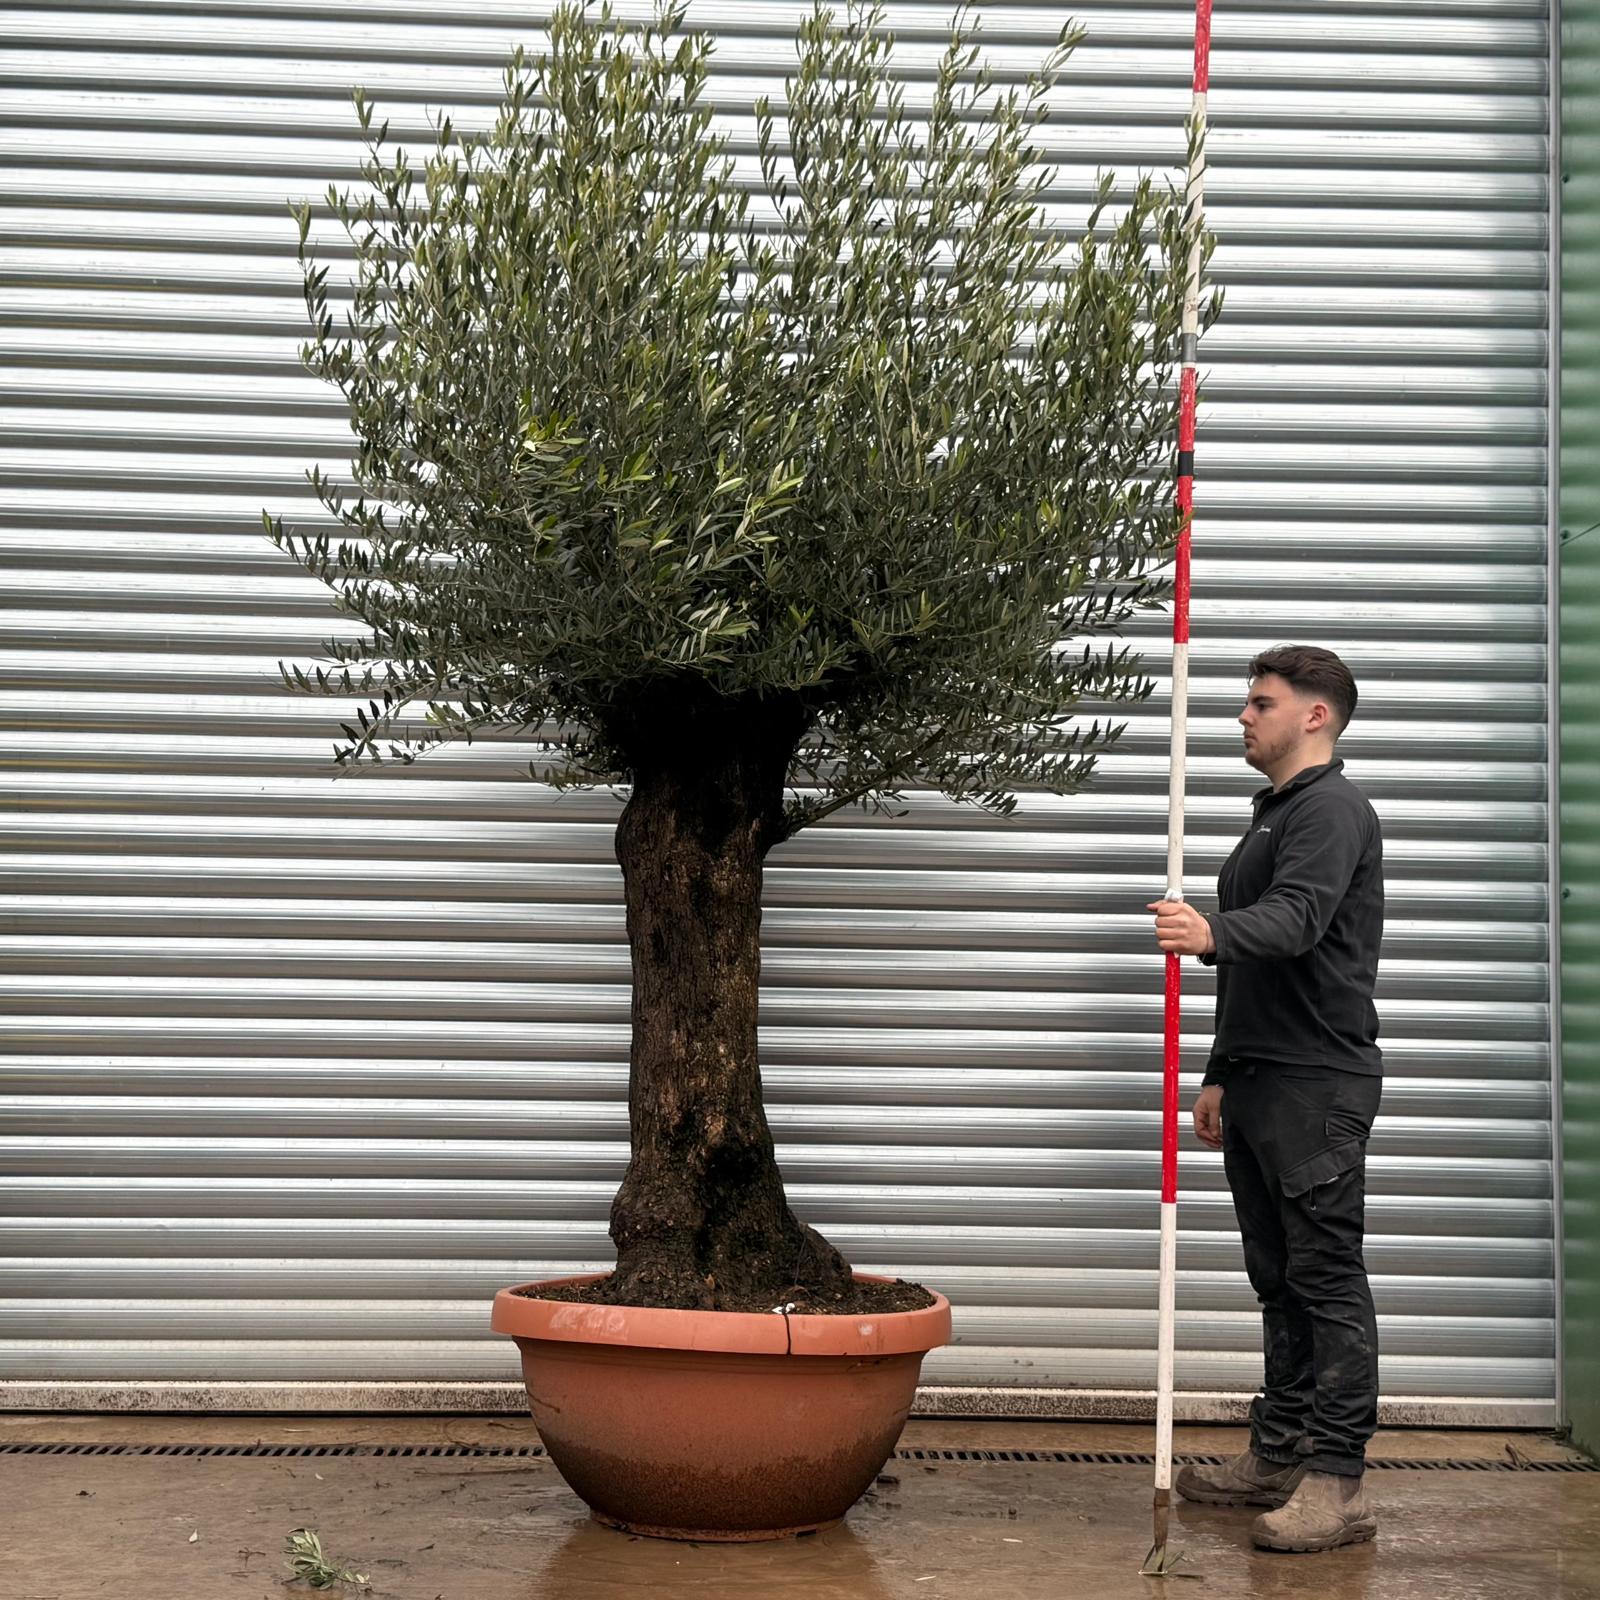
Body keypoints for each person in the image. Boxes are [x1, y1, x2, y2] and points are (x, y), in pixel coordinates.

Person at [1147, 644, 1385, 1554]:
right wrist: (1218, 1070)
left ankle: (1337, 1482)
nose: (1243, 717)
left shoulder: (1331, 811)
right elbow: (1252, 967)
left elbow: (1295, 922)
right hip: (1258, 1079)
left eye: (1260, 702)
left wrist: (1209, 930)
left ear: (1314, 716)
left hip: (1316, 1082)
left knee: (1325, 1281)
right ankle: (1278, 1455)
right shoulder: (1274, 814)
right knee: (1277, 1281)